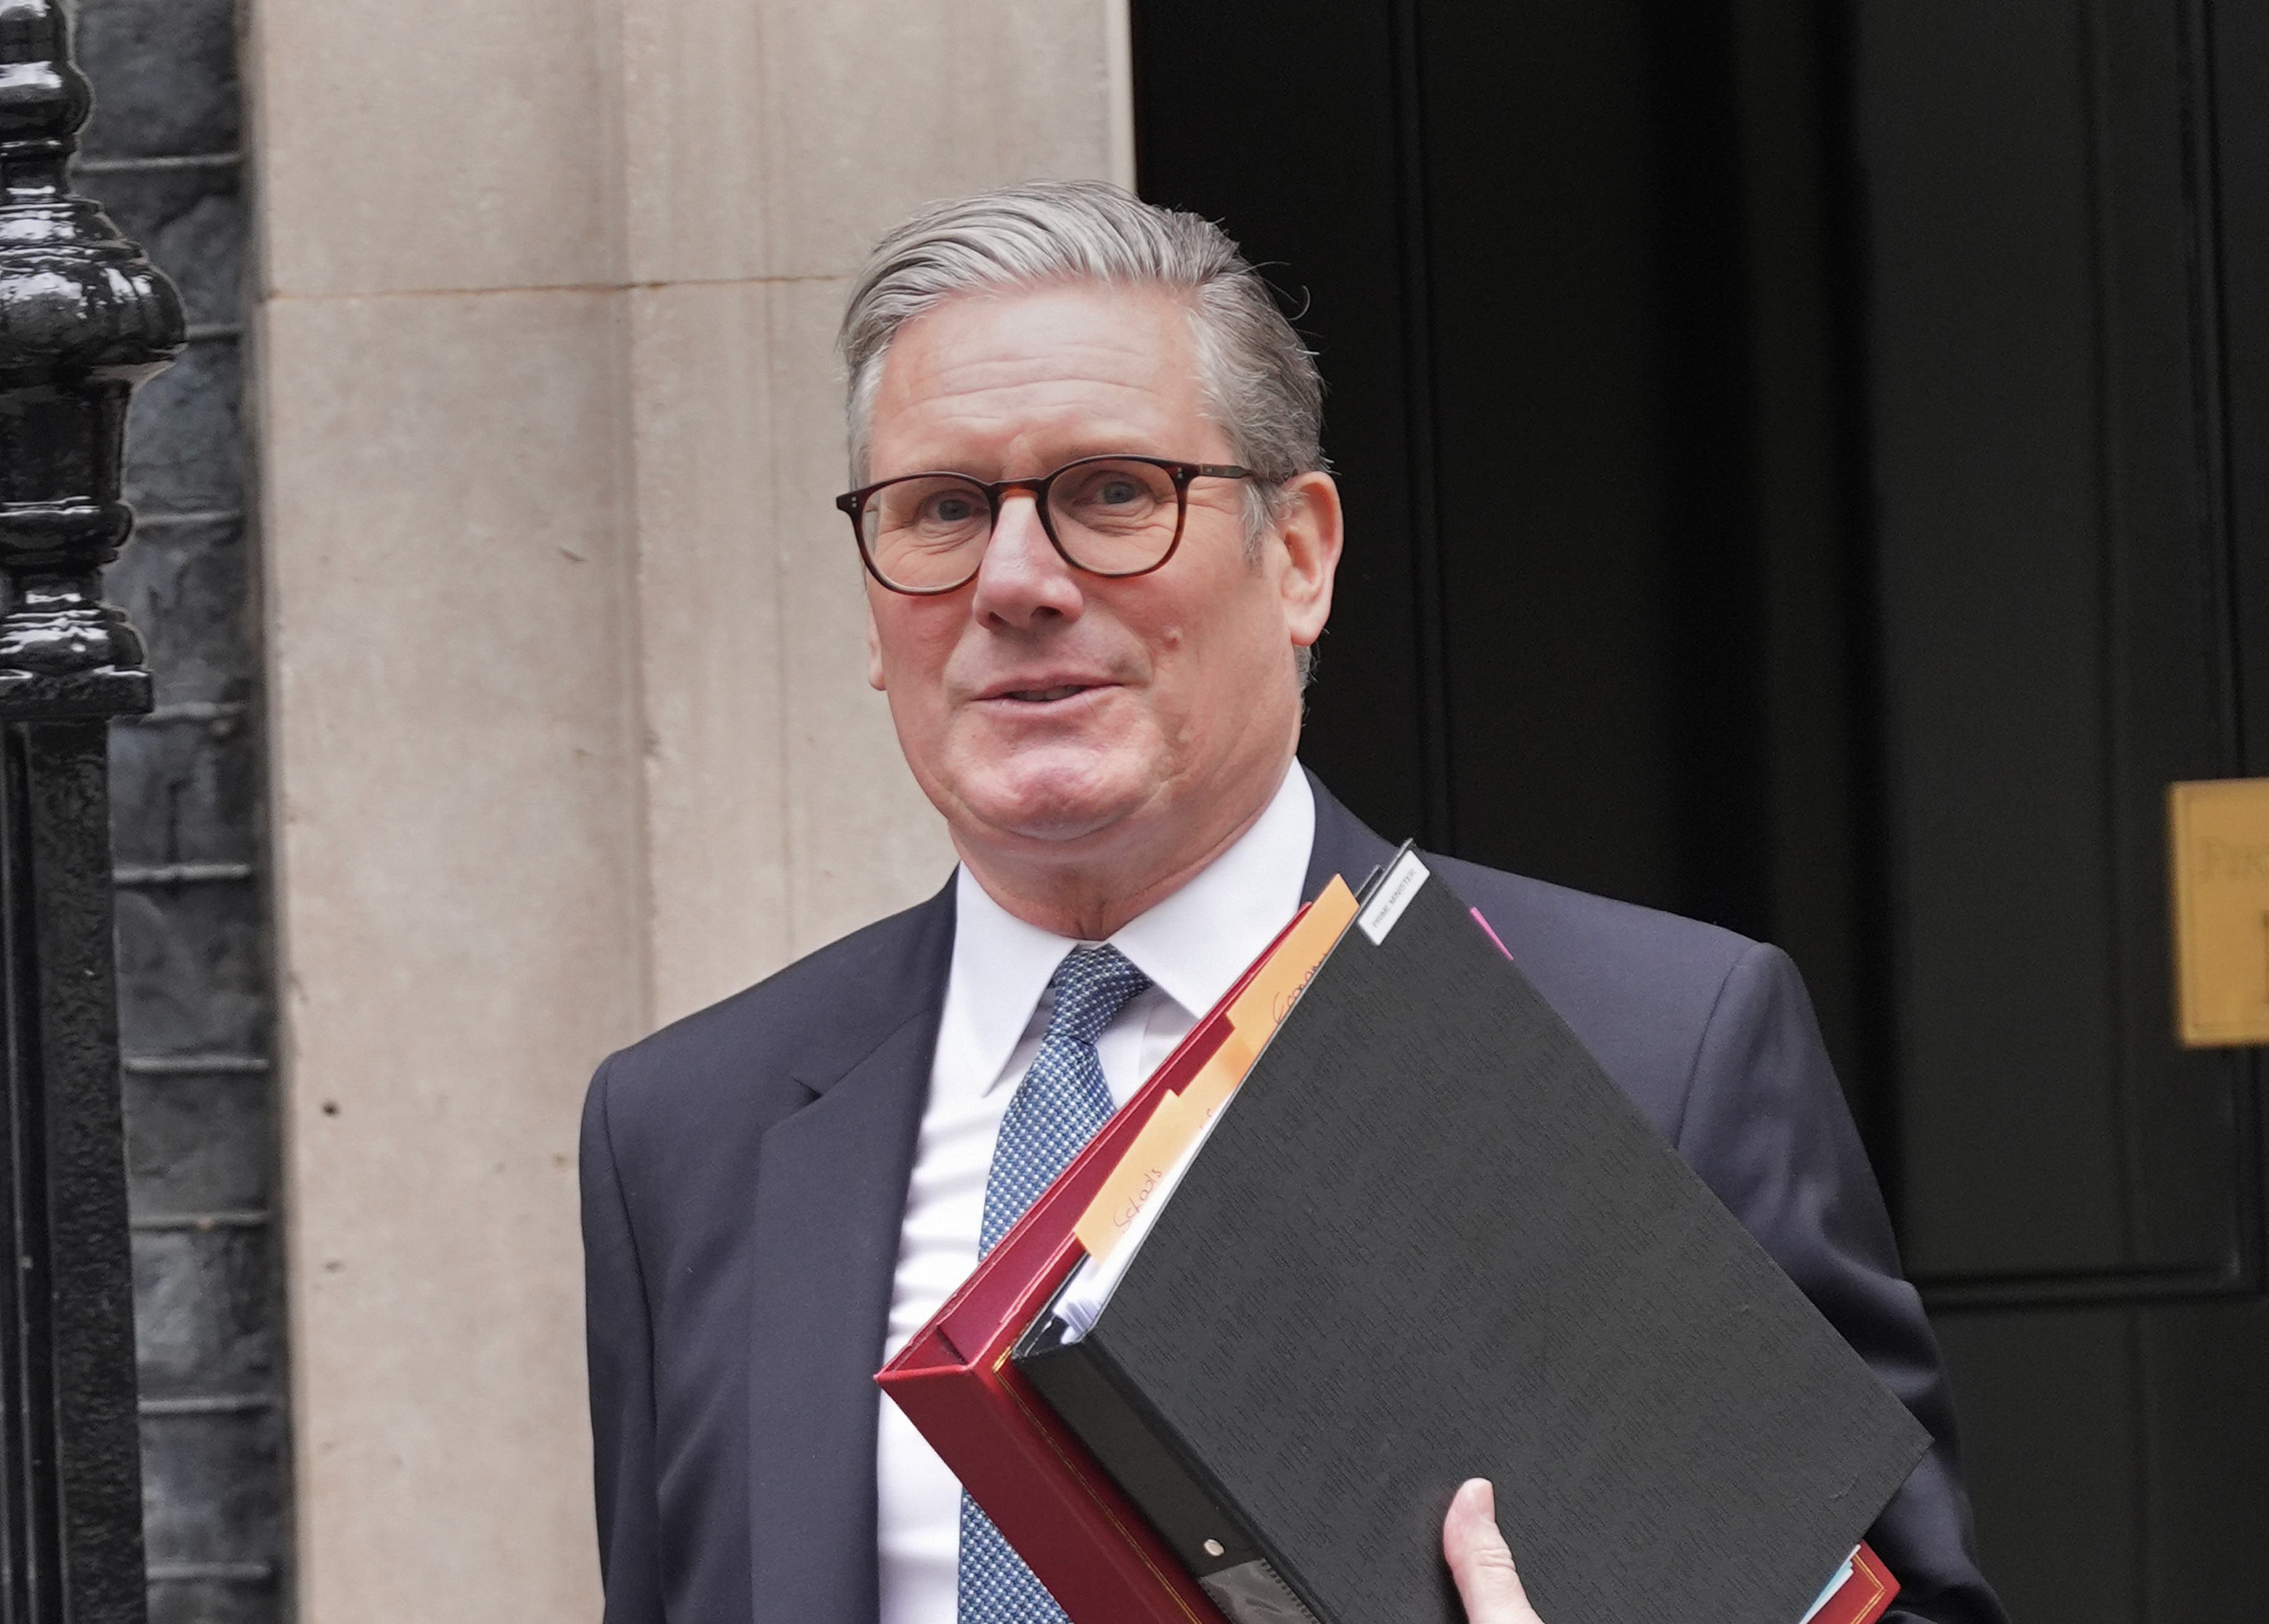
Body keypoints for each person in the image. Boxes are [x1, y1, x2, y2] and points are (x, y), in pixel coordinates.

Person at [579, 180, 2005, 1624]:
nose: (1014, 580)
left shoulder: (1649, 1045)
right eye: (940, 510)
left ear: (1301, 552)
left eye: (1112, 493)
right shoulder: (692, 1127)